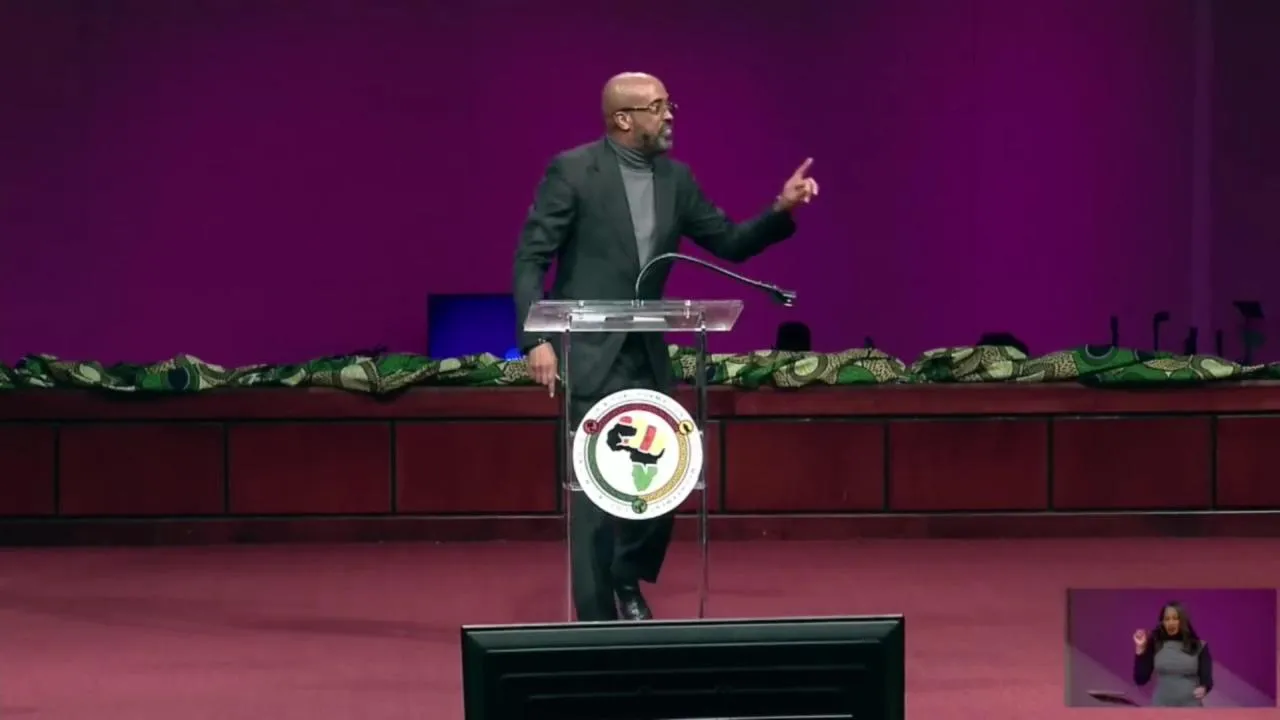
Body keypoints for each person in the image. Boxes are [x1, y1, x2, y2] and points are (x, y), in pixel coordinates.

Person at [512, 72, 819, 622]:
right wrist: (537, 339)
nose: (670, 115)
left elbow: (729, 242)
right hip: (591, 353)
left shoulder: (677, 180)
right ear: (622, 118)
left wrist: (781, 210)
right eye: (657, 107)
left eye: (669, 105)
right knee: (594, 493)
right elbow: (532, 258)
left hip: (647, 354)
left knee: (667, 476)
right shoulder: (573, 171)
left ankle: (626, 574)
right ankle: (596, 622)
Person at [1133, 601, 1214, 707]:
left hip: (1190, 707)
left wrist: (1204, 688)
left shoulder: (1199, 646)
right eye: (1167, 619)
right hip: (1161, 707)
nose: (1171, 622)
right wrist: (1140, 648)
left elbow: (1206, 679)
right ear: (1162, 622)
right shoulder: (1155, 644)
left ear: (1182, 620)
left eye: (1175, 618)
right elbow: (1140, 679)